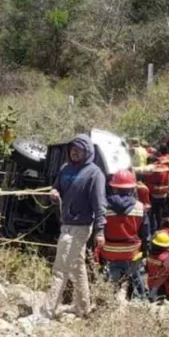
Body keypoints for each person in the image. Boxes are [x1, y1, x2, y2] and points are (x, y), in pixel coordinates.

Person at [38, 134, 107, 320]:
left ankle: (47, 312)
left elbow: (100, 206)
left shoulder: (94, 174)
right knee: (77, 266)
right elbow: (57, 186)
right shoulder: (65, 168)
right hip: (66, 224)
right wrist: (54, 192)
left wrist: (100, 231)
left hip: (80, 227)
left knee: (60, 269)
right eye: (72, 149)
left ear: (87, 151)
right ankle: (82, 307)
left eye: (79, 149)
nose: (74, 152)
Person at [100, 170, 150, 303]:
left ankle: (109, 300)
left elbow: (98, 230)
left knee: (112, 277)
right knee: (136, 275)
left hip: (110, 251)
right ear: (132, 187)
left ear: (113, 187)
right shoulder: (140, 207)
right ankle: (140, 300)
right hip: (131, 251)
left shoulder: (103, 206)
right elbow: (145, 234)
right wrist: (145, 251)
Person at [137, 154, 169, 229]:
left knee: (151, 213)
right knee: (159, 212)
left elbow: (140, 170)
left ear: (151, 161)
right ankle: (159, 227)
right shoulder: (166, 167)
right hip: (163, 194)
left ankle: (152, 229)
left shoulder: (151, 167)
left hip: (154, 194)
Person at [146, 231, 169, 301]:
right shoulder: (166, 257)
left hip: (150, 282)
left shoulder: (150, 255)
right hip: (161, 286)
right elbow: (168, 272)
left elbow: (147, 269)